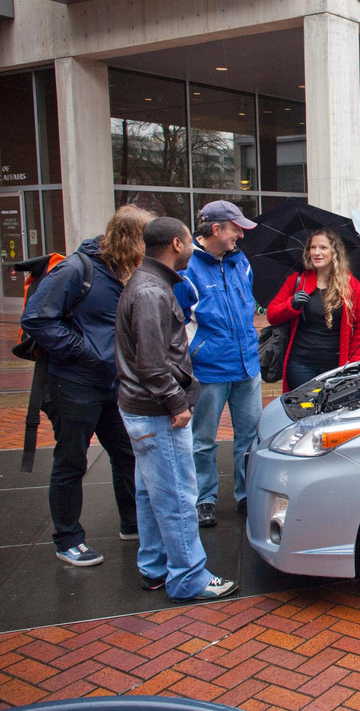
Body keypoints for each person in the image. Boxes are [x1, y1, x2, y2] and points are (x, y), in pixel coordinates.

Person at [21, 205, 153, 567]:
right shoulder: (76, 270)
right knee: (70, 462)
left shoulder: (124, 272)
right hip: (73, 384)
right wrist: (83, 352)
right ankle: (68, 539)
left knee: (127, 453)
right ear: (132, 240)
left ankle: (132, 522)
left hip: (112, 384)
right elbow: (36, 319)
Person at [115, 216, 238, 603]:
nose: (194, 245)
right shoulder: (152, 292)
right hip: (156, 410)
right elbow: (151, 362)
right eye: (190, 240)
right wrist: (175, 403)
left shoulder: (148, 284)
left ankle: (153, 567)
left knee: (151, 493)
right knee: (177, 496)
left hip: (143, 409)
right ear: (176, 244)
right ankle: (188, 577)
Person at [174, 200, 260, 528]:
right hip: (209, 369)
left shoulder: (242, 263)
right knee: (204, 439)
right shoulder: (186, 269)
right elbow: (178, 321)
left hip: (246, 366)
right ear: (215, 229)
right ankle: (204, 499)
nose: (240, 234)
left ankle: (246, 494)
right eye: (235, 228)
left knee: (249, 437)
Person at [266, 228, 360, 391]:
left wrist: (353, 361)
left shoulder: (352, 286)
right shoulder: (297, 281)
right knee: (305, 411)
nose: (316, 252)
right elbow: (272, 315)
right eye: (312, 247)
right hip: (301, 364)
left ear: (334, 252)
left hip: (336, 366)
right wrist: (291, 305)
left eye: (323, 247)